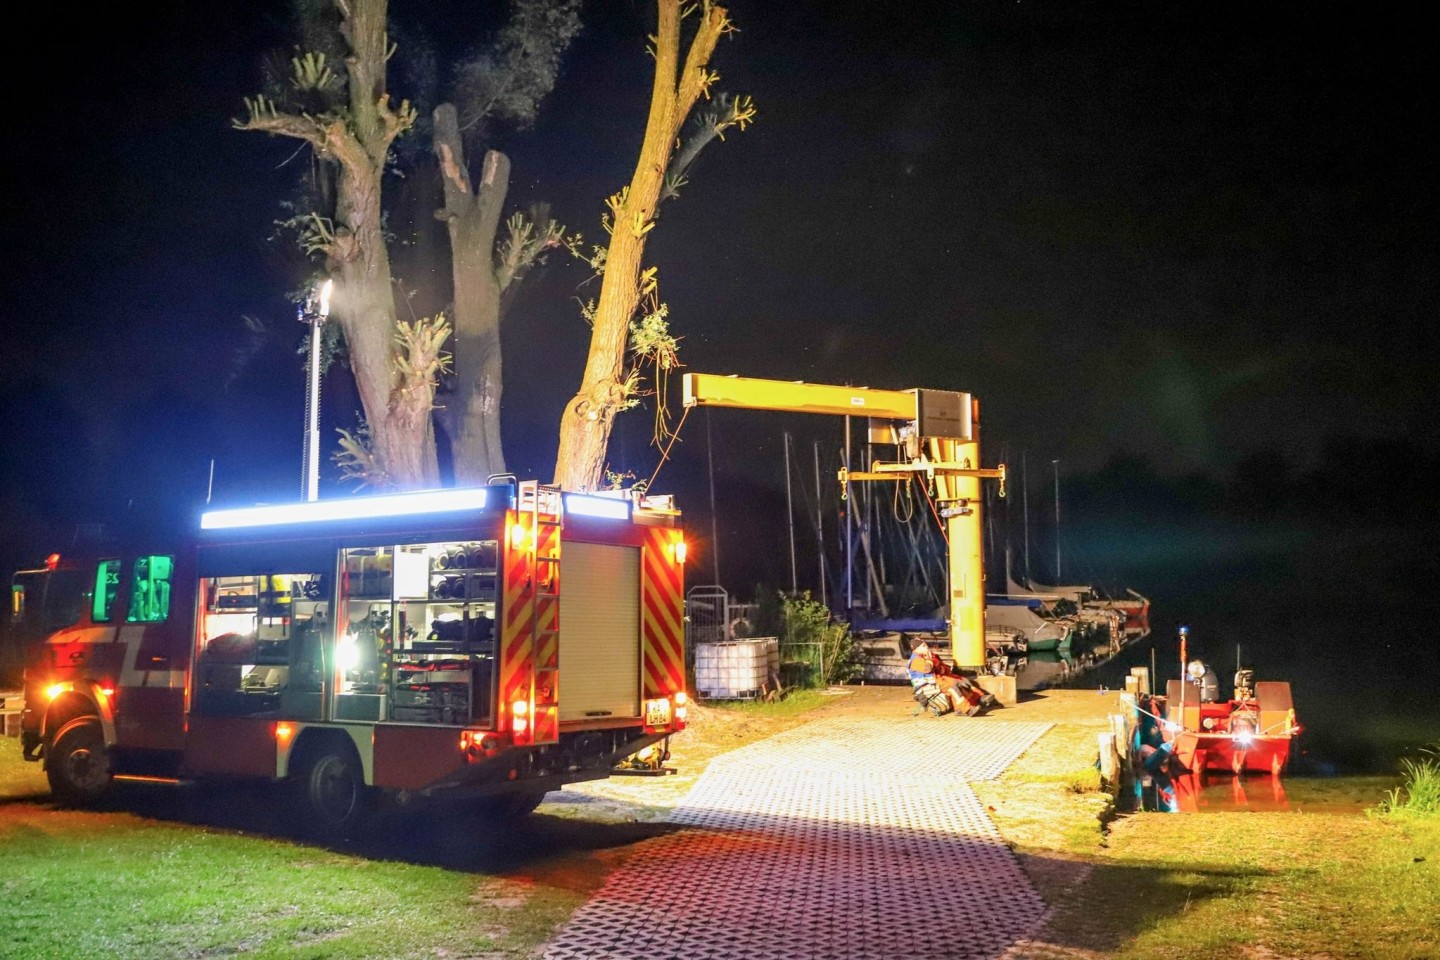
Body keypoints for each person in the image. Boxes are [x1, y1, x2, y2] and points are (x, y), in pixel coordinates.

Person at [906, 637, 996, 717]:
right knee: (953, 687)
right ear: (916, 649)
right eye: (923, 646)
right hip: (926, 686)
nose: (926, 647)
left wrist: (935, 663)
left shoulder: (926, 656)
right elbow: (928, 669)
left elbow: (942, 668)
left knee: (961, 680)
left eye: (925, 645)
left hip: (936, 680)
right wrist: (931, 660)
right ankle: (967, 709)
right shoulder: (915, 660)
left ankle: (978, 698)